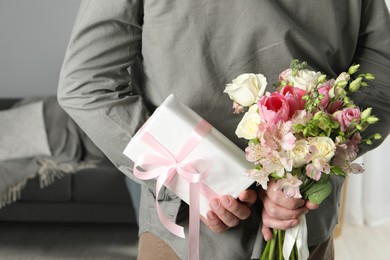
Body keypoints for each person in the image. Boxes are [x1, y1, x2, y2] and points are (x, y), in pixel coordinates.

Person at [57, 1, 390, 259]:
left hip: (210, 230)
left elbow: (87, 86)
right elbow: (381, 80)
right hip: (286, 226)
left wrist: (202, 182)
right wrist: (300, 176)